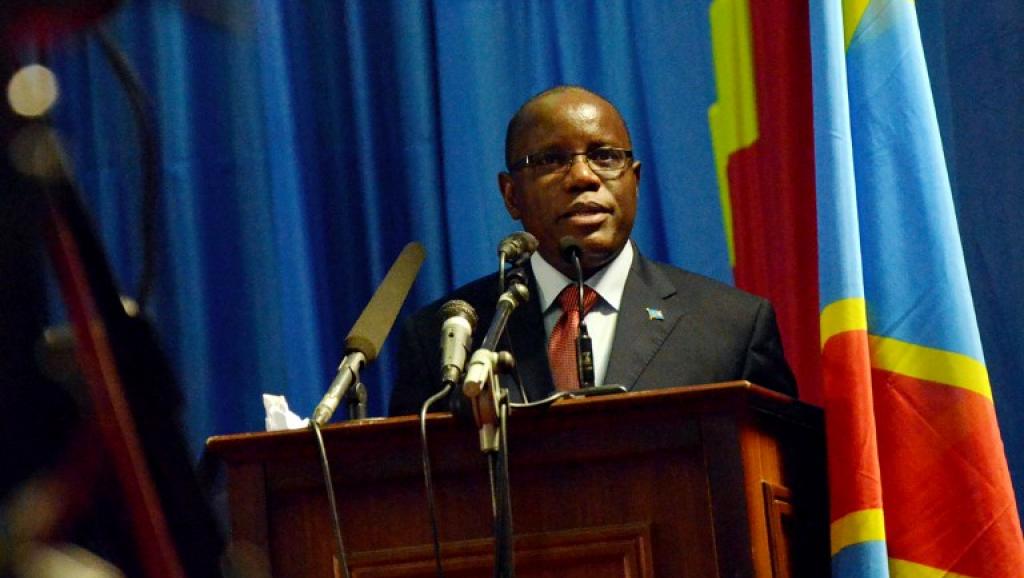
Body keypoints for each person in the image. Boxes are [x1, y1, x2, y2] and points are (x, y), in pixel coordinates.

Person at [389, 86, 795, 416]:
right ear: (511, 196)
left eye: (605, 157)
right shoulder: (446, 339)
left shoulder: (730, 329)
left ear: (634, 181)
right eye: (552, 160)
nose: (583, 176)